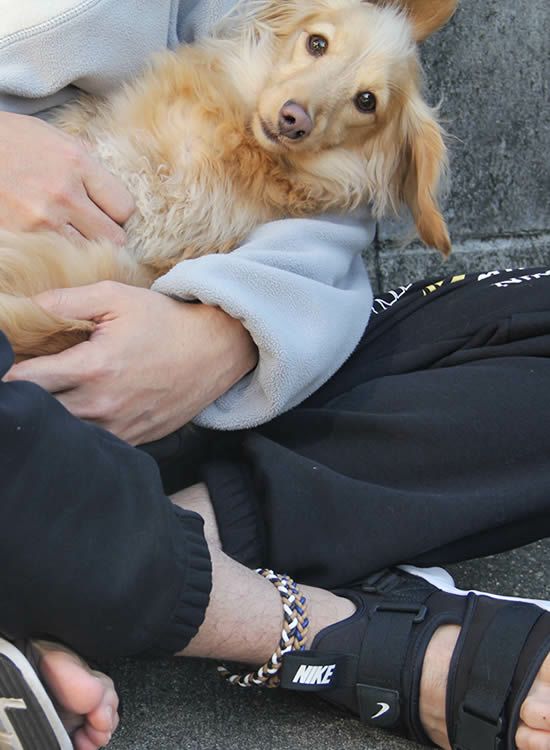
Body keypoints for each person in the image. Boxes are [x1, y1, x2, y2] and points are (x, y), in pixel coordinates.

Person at [0, 2, 548, 750]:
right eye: (317, 47)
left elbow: (330, 204)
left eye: (362, 100)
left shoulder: (278, 42)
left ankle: (101, 551)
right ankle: (337, 636)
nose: (304, 107)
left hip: (188, 367)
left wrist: (226, 332)